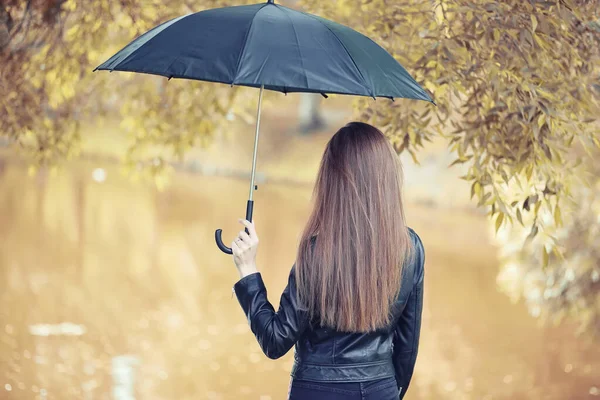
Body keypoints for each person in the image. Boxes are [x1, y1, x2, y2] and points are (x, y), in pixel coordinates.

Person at [230, 121, 425, 400]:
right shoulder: (411, 248)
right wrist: (390, 390)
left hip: (316, 389)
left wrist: (247, 269)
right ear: (388, 179)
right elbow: (408, 345)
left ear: (332, 180)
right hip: (380, 388)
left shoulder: (316, 251)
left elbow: (275, 340)